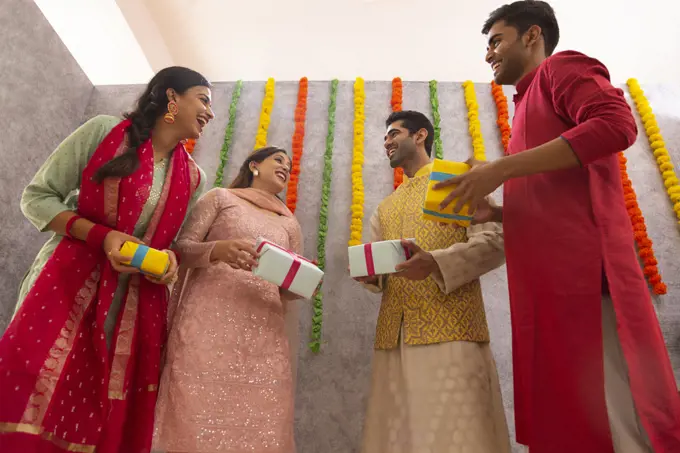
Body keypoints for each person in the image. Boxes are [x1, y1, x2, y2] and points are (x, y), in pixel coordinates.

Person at [434, 2, 680, 452]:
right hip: (546, 286)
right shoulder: (525, 104)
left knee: (612, 415)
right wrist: (500, 212)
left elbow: (616, 124)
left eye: (496, 41)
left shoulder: (562, 69)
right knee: (568, 413)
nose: (488, 54)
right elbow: (557, 197)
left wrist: (501, 169)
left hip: (583, 280)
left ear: (532, 36)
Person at [0, 66, 212, 453]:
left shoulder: (193, 177)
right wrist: (103, 236)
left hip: (130, 309)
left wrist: (168, 262)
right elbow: (36, 197)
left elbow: (174, 244)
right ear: (171, 98)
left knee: (98, 408)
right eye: (203, 99)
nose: (210, 113)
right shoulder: (105, 132)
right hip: (64, 285)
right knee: (34, 383)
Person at [355, 110, 510, 453]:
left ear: (420, 135)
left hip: (451, 328)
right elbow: (381, 271)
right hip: (394, 335)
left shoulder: (456, 180)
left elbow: (497, 240)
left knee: (457, 433)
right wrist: (371, 276)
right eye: (384, 138)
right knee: (398, 436)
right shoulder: (385, 208)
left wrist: (436, 262)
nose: (387, 143)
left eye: (393, 134)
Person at [152, 146, 303, 453]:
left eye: (289, 164)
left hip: (263, 332)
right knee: (197, 408)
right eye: (278, 160)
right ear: (254, 165)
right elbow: (182, 248)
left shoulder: (289, 223)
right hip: (209, 321)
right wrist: (218, 250)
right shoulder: (221, 198)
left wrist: (302, 282)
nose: (285, 167)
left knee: (260, 417)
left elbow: (292, 282)